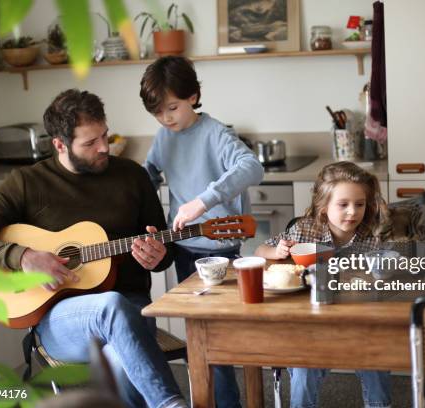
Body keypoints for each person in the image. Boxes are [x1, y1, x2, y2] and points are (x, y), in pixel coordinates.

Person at [0, 89, 187, 408]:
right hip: (59, 319)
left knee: (120, 362)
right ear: (60, 145)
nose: (104, 147)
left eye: (105, 135)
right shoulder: (27, 183)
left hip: (132, 308)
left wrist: (159, 257)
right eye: (90, 143)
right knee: (110, 305)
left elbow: (164, 250)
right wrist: (22, 257)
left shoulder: (132, 176)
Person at [140, 56, 264, 408]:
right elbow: (148, 174)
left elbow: (251, 167)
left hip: (218, 252)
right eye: (158, 112)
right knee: (198, 341)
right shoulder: (164, 136)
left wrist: (203, 200)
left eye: (173, 108)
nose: (166, 118)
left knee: (217, 344)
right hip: (181, 250)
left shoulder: (216, 133)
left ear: (193, 96)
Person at [255, 161, 392, 408]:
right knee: (304, 371)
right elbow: (260, 249)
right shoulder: (304, 230)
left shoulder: (375, 235)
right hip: (311, 328)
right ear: (323, 207)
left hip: (360, 325)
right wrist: (276, 251)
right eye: (343, 205)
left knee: (377, 363)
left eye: (359, 204)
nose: (352, 212)